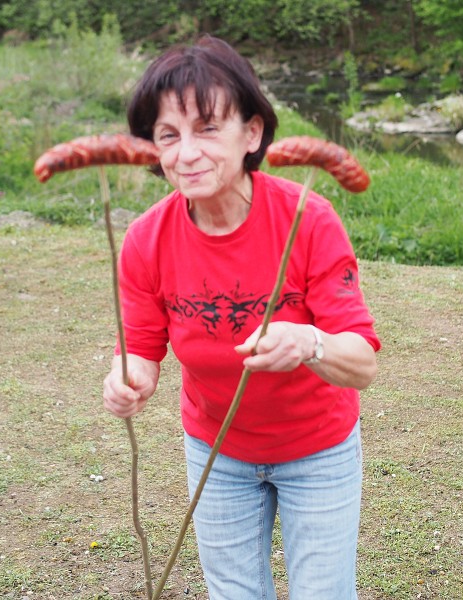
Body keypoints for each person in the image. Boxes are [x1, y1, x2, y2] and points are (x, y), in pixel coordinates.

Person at [103, 35, 381, 600]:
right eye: (168, 135)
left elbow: (362, 362)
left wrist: (308, 342)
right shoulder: (145, 240)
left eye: (207, 127)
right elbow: (141, 353)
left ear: (251, 132)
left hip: (318, 449)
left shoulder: (309, 219)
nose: (186, 153)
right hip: (217, 452)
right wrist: (126, 382)